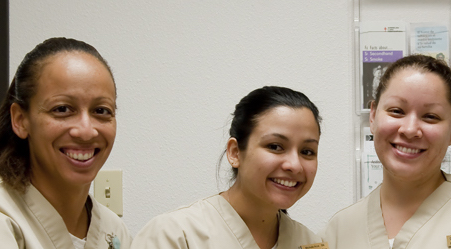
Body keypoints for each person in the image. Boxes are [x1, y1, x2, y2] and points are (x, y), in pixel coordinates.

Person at [0, 37, 131, 249]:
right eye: (62, 109)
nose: (86, 131)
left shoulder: (113, 231)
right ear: (20, 120)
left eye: (101, 111)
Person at [131, 86, 325, 249]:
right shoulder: (175, 236)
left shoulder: (309, 243)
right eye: (275, 146)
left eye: (307, 151)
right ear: (234, 153)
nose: (294, 165)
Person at [320, 55, 451, 249]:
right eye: (397, 111)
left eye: (430, 116)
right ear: (373, 116)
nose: (409, 130)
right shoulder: (338, 232)